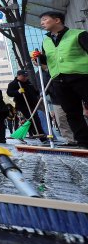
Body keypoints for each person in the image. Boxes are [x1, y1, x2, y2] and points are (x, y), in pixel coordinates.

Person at [33, 10, 88, 148]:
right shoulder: (46, 41)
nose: (42, 23)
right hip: (58, 80)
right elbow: (48, 59)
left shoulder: (78, 34)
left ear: (57, 20)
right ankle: (84, 143)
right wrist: (39, 59)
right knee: (72, 113)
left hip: (81, 77)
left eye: (45, 19)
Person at [7, 70, 46, 142]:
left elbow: (34, 92)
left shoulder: (28, 83)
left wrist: (39, 93)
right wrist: (17, 92)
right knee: (33, 120)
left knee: (34, 120)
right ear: (18, 75)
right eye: (23, 76)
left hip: (32, 105)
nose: (25, 77)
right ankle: (41, 137)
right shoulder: (13, 84)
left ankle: (33, 134)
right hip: (23, 105)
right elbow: (9, 93)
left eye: (26, 76)